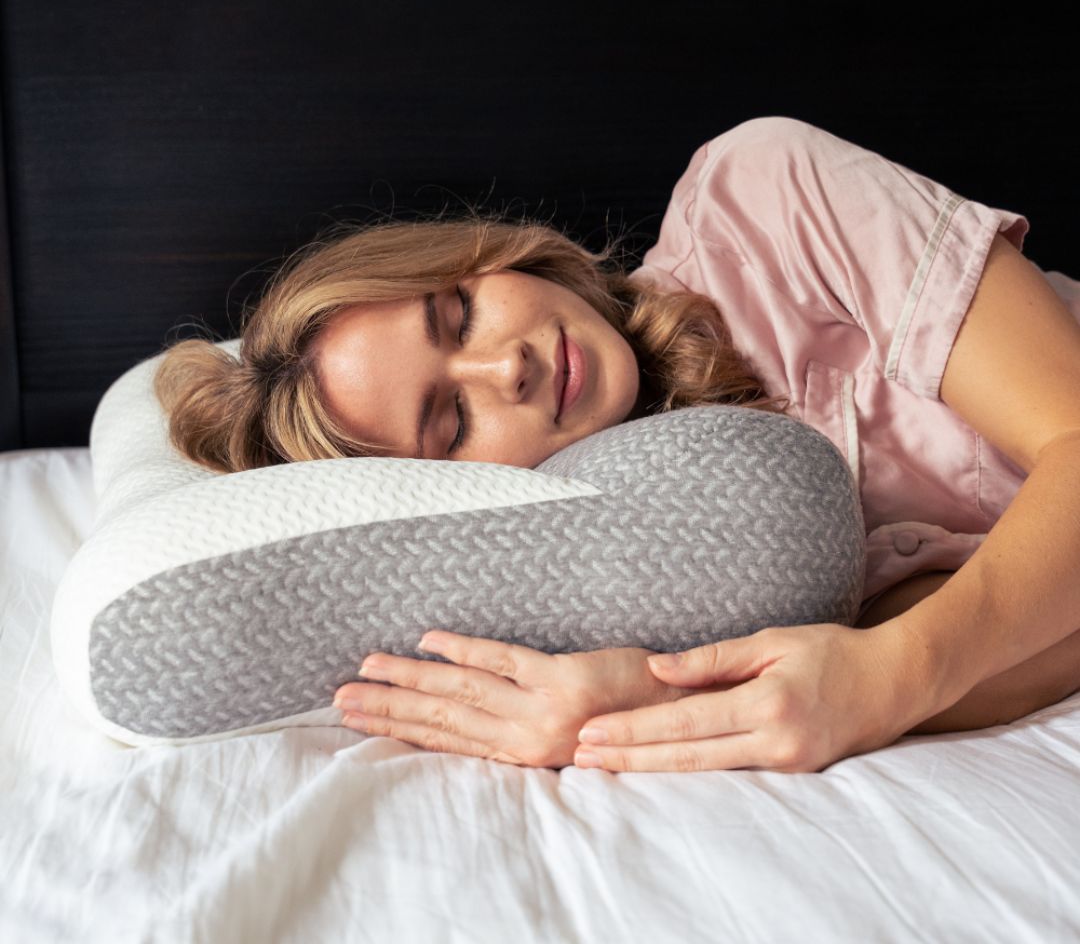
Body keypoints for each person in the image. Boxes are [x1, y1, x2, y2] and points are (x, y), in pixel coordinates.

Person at [155, 116, 1080, 774]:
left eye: (459, 313)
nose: (506, 366)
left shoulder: (762, 197)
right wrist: (653, 707)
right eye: (452, 422)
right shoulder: (653, 571)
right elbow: (1018, 648)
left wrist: (898, 675)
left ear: (482, 257)